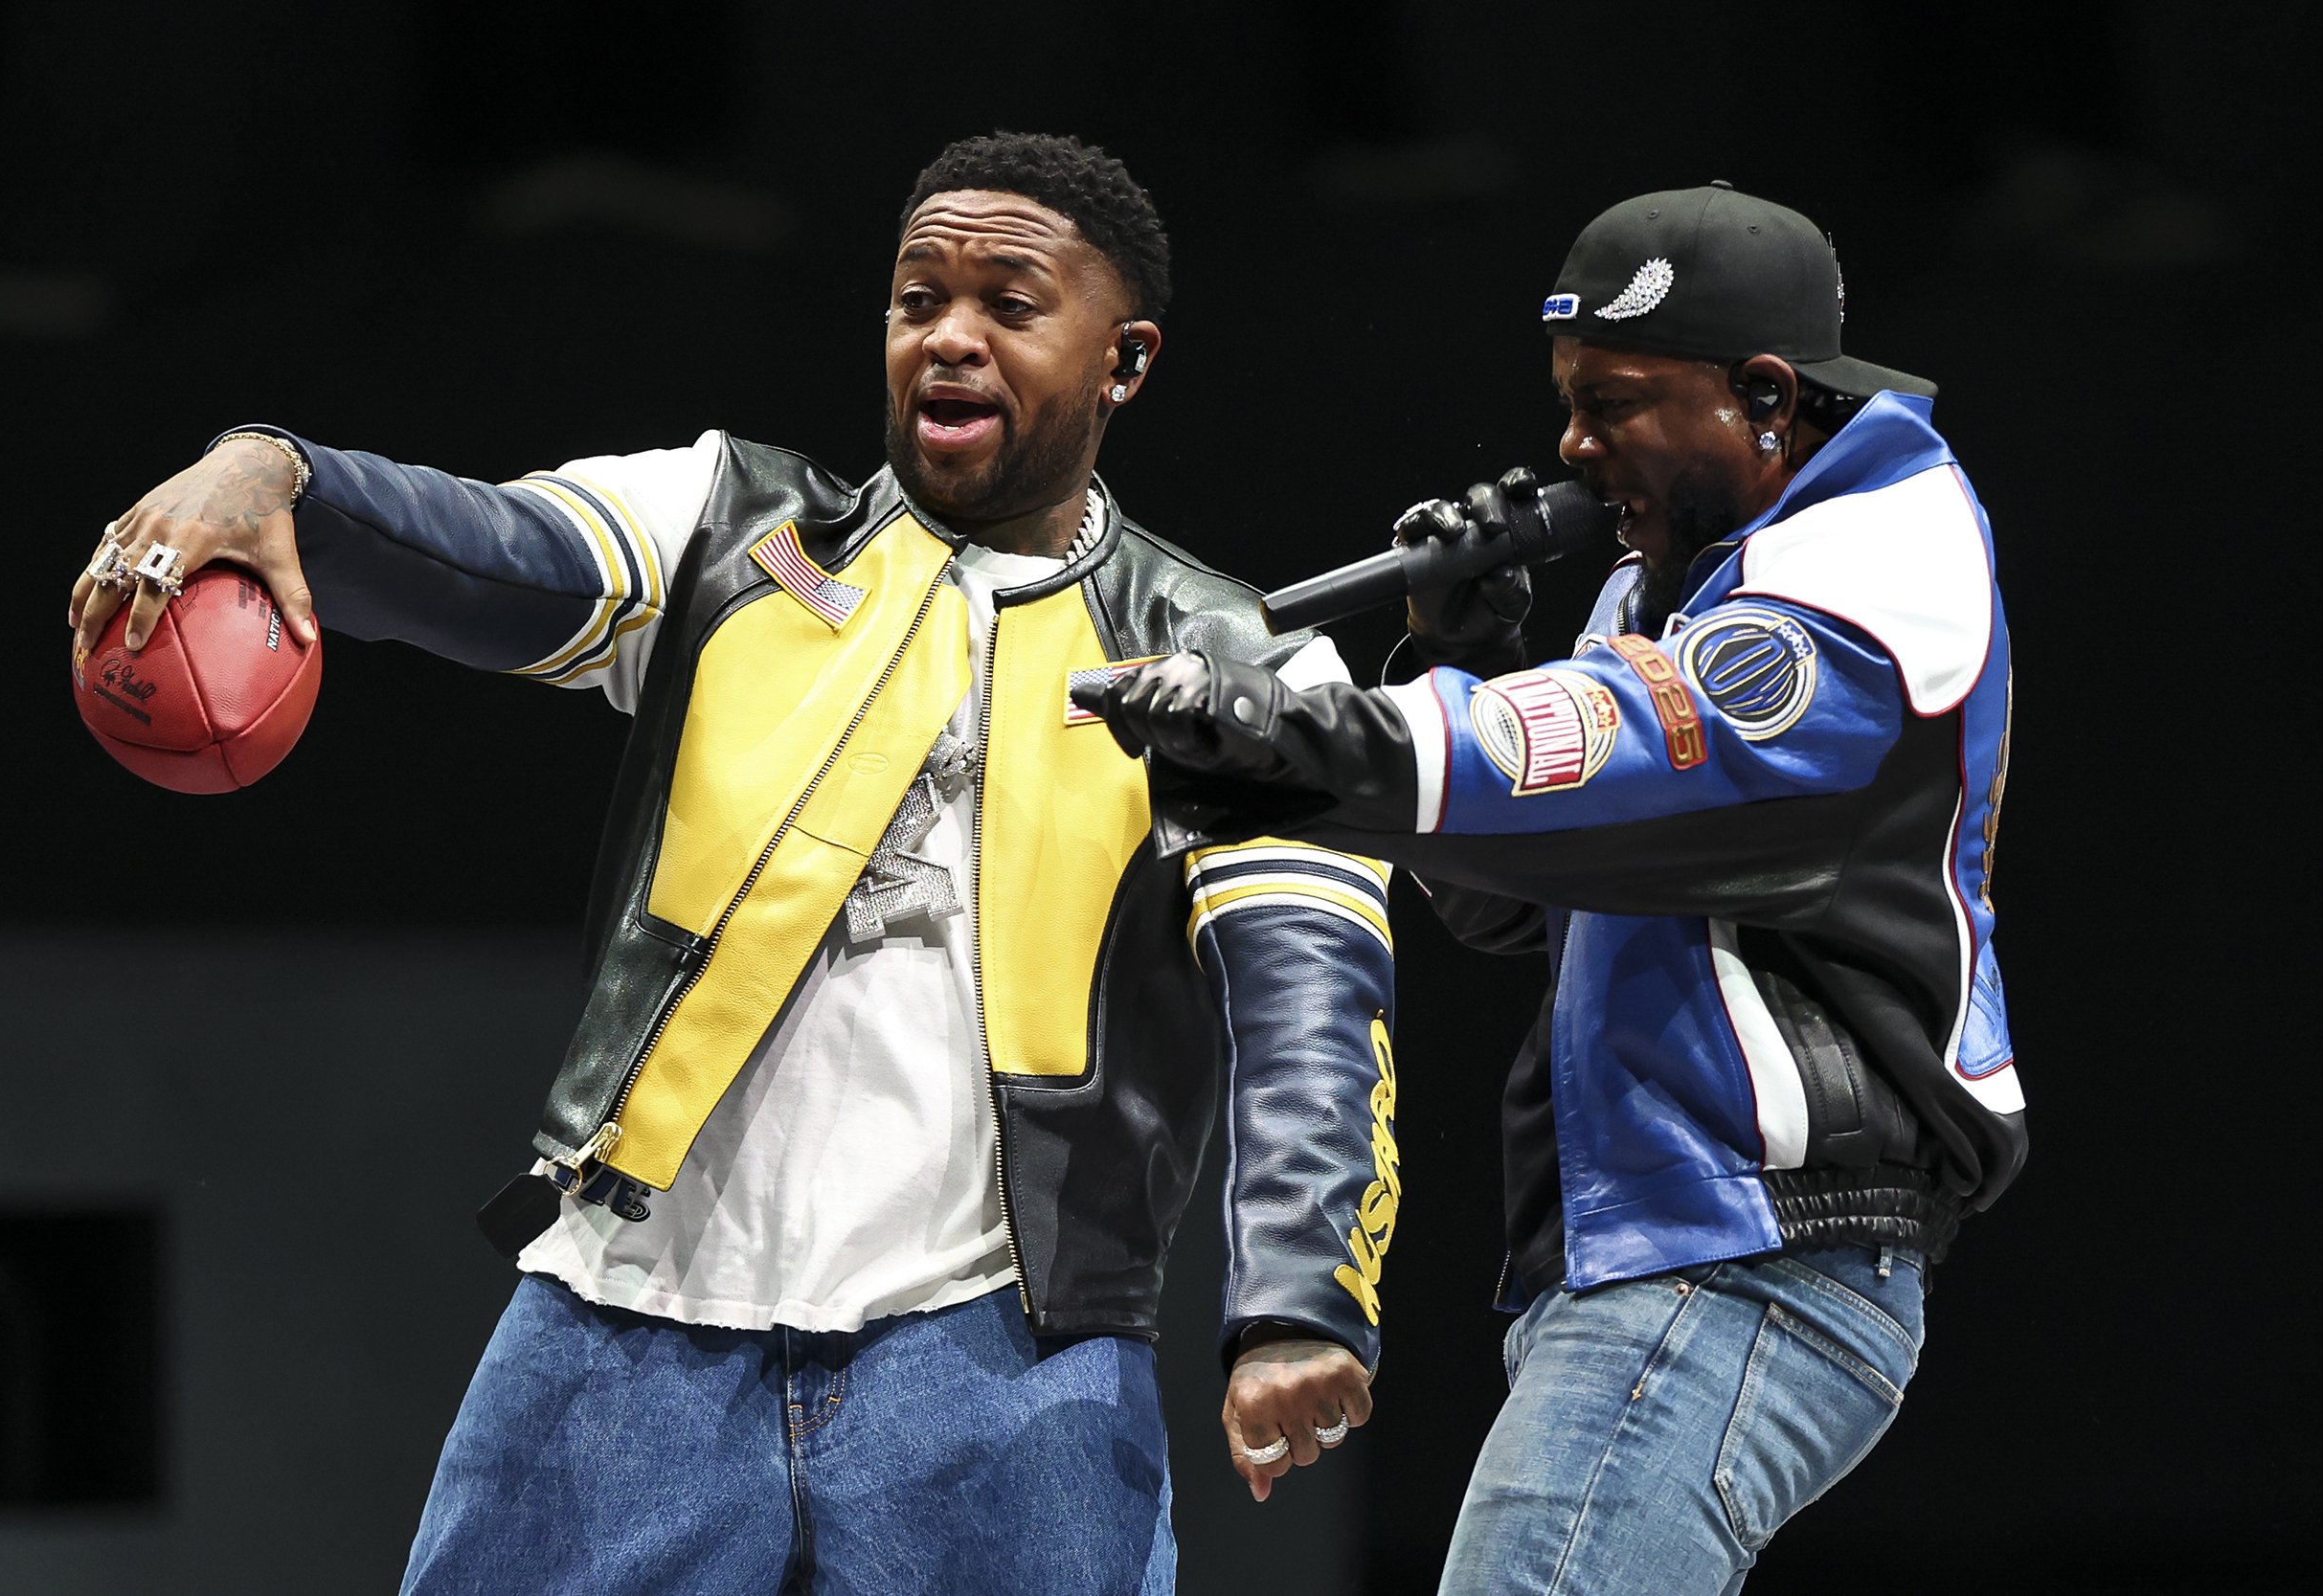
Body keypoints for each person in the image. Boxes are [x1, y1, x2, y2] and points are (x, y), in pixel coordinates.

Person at [68, 132, 1396, 1595]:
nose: (949, 336)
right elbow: (480, 551)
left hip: (1010, 1357)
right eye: (917, 299)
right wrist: (281, 474)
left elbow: (1313, 1014)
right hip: (620, 1327)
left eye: (1010, 306)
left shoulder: (1246, 667)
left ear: (1122, 362)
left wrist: (1297, 1298)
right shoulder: (728, 526)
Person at [1076, 181, 2025, 1595]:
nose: (1575, 448)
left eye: (1614, 405)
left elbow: (1630, 747)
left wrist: (1293, 733)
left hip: (1744, 1259)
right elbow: (1511, 904)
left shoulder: (1868, 566)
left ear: (1766, 397)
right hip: (1665, 1258)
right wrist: (1466, 659)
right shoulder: (1684, 580)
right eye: (1568, 404)